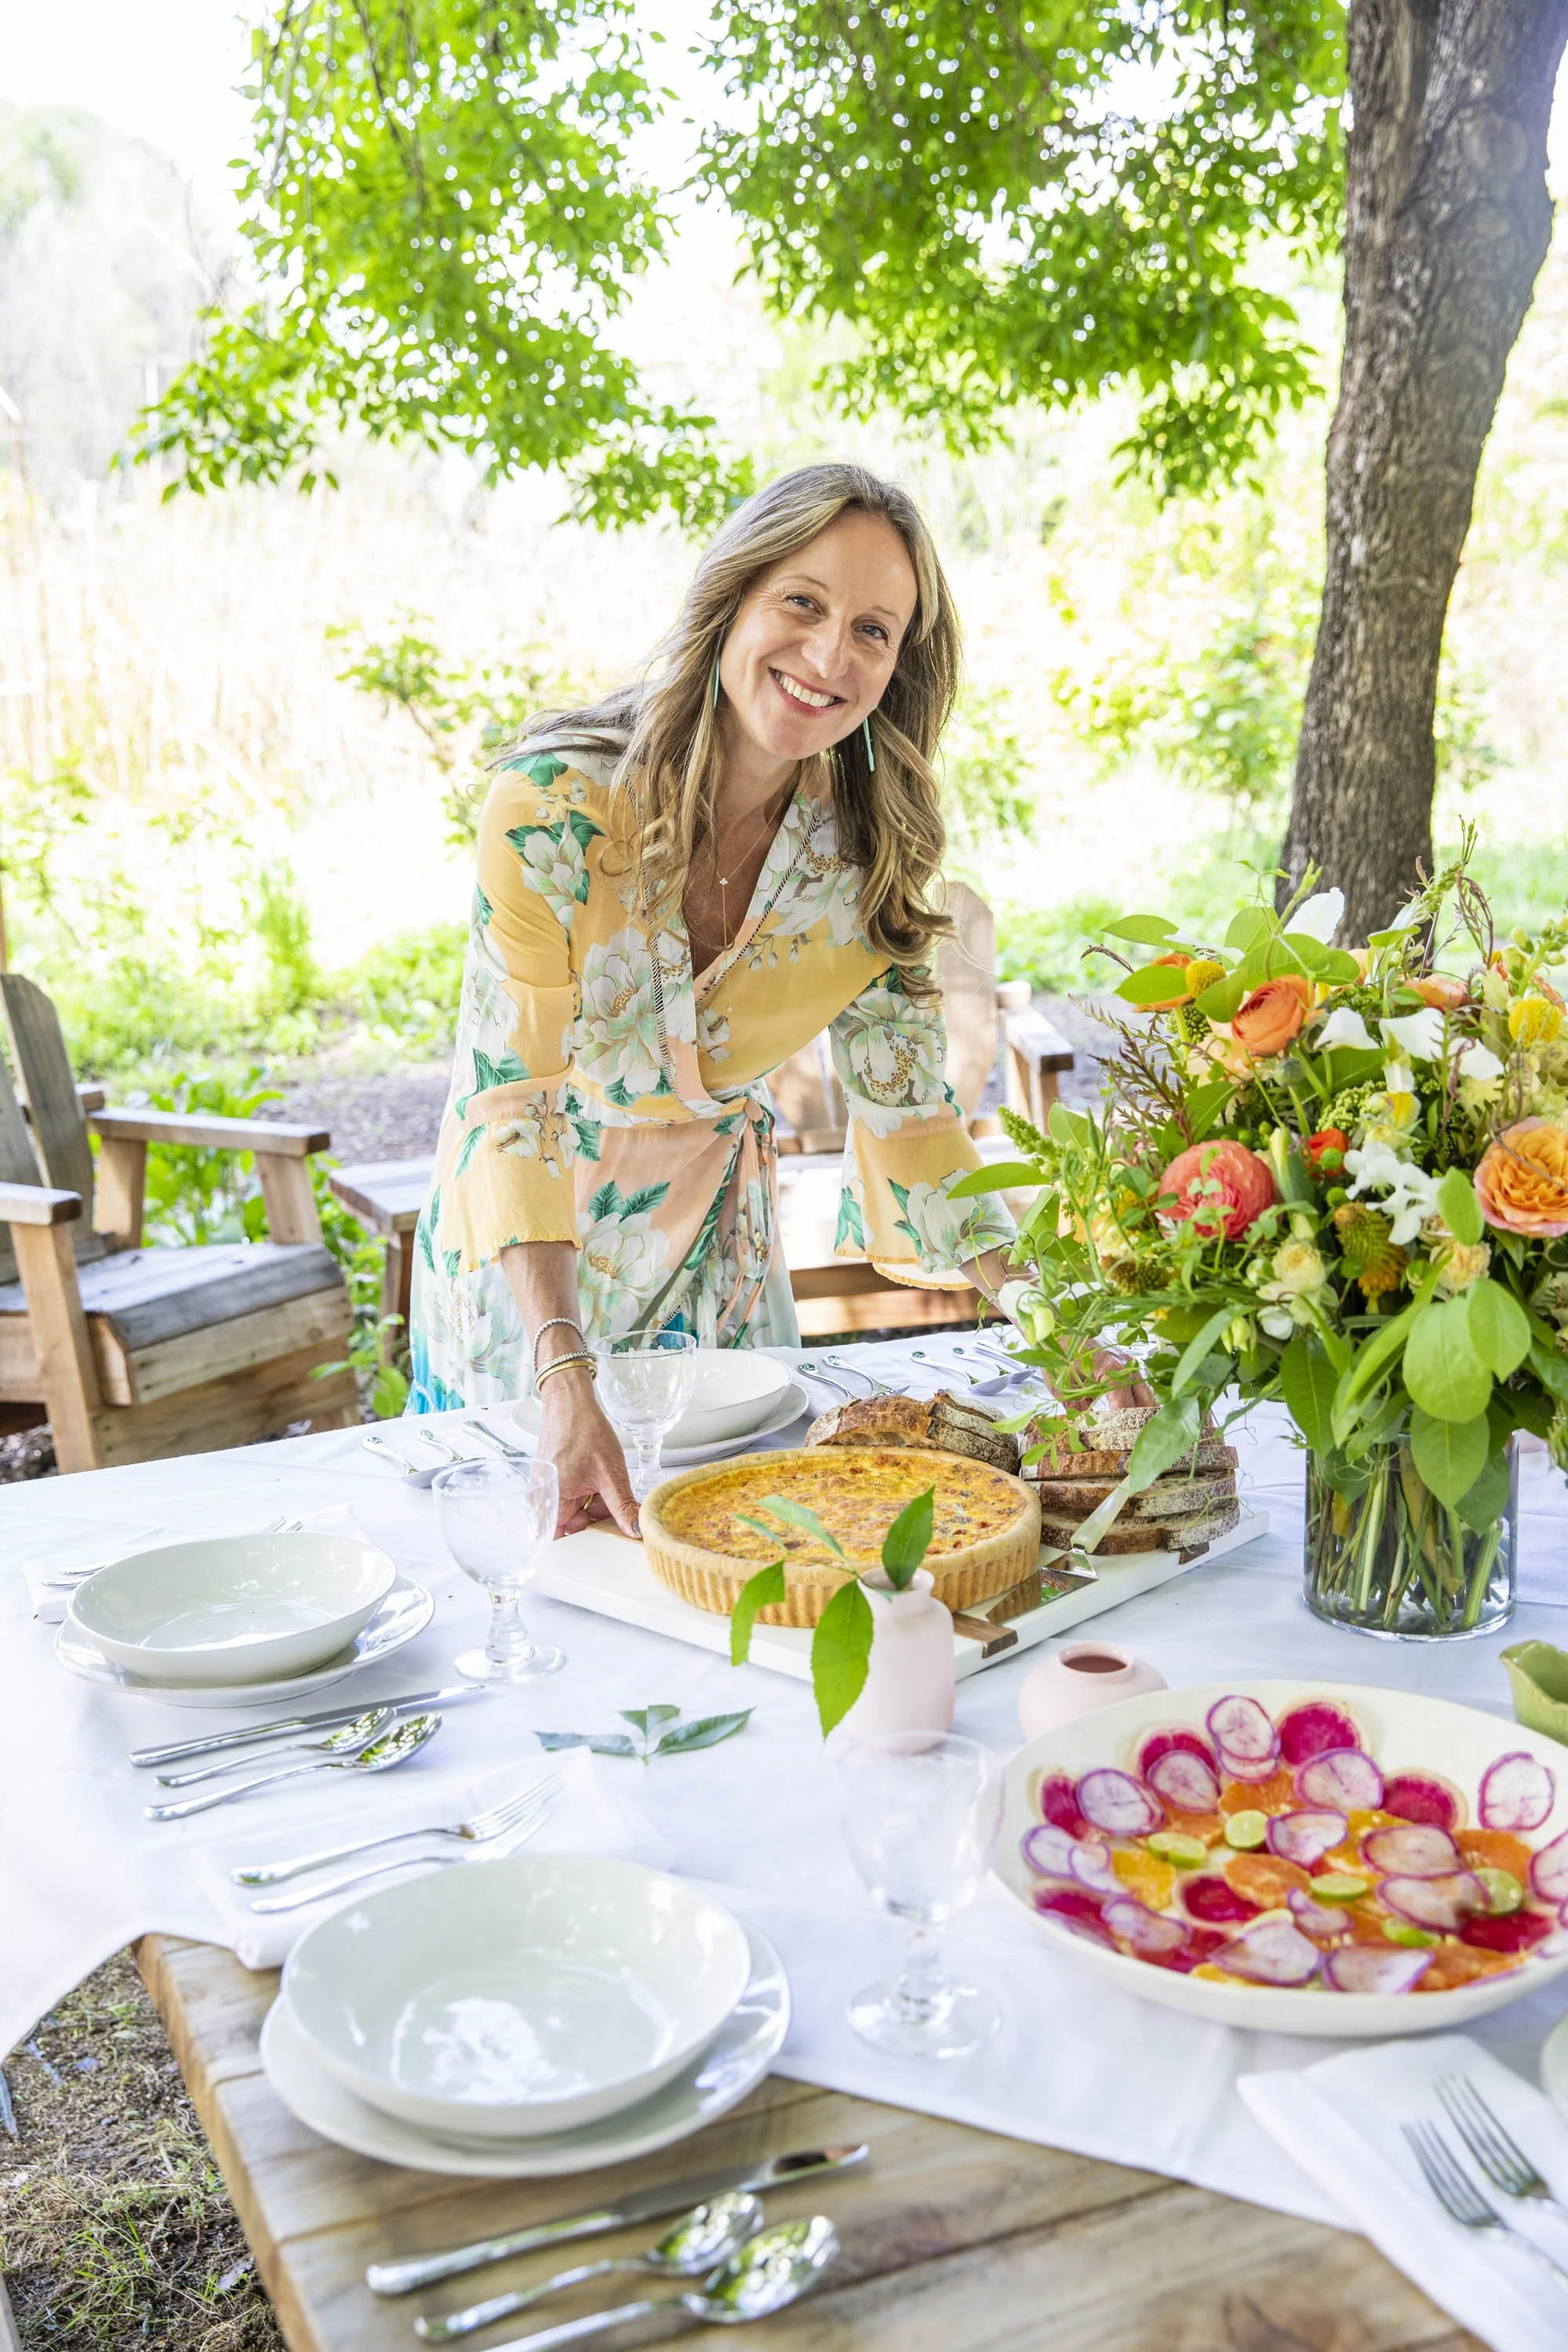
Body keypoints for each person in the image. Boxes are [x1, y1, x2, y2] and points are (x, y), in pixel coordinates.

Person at [408, 462, 1132, 1534]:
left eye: (875, 630)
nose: (830, 656)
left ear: (901, 663)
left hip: (722, 1280)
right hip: (527, 1286)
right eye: (803, 602)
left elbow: (918, 1128)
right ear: (732, 597)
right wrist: (564, 1373)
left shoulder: (869, 859)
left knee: (739, 1562)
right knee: (536, 1571)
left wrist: (1060, 1329)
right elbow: (511, 1102)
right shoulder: (552, 809)